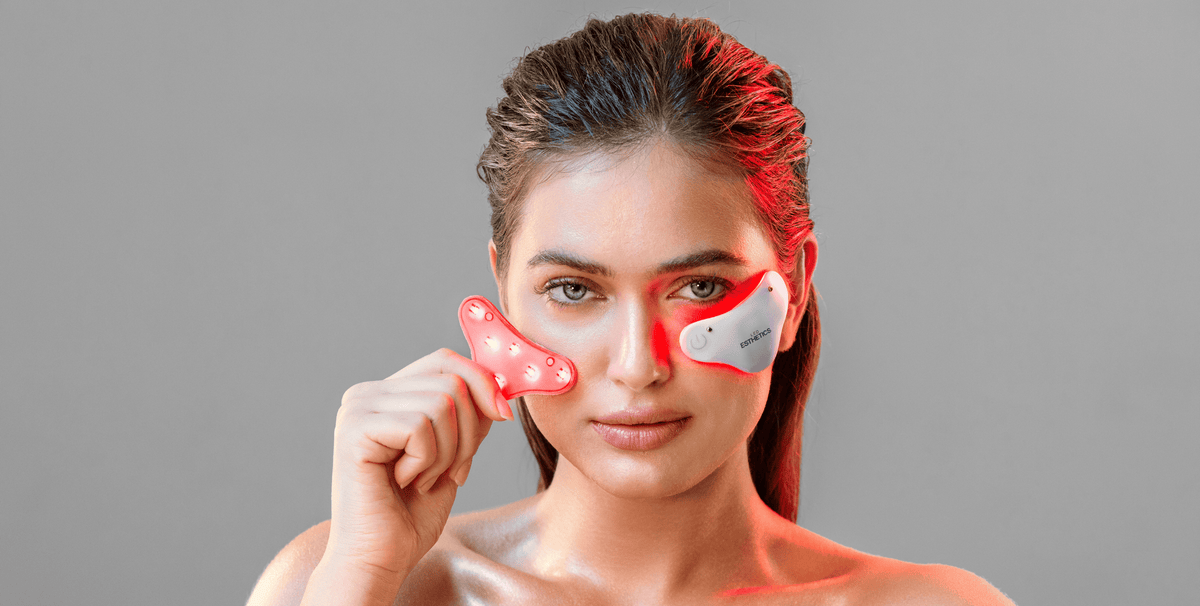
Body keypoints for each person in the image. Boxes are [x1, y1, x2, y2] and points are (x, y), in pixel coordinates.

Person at [247, 13, 1016, 606]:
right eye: (574, 291)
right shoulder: (336, 580)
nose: (638, 366)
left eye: (701, 288)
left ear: (795, 289)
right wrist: (362, 577)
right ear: (503, 293)